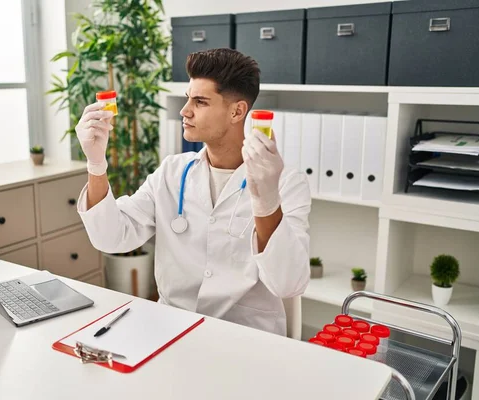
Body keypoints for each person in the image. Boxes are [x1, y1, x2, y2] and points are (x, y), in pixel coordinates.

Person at [76, 48, 311, 336]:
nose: (185, 111)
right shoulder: (172, 172)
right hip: (171, 329)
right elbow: (112, 237)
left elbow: (289, 283)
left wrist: (265, 198)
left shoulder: (287, 182)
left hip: (246, 338)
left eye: (200, 101)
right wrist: (96, 163)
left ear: (237, 111)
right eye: (188, 98)